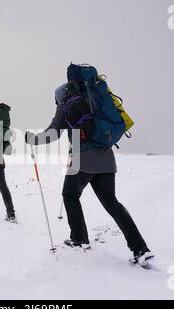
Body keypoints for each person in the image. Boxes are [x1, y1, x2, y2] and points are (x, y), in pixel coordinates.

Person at [25, 71, 154, 266]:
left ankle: (79, 239)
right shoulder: (92, 101)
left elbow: (53, 133)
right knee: (112, 202)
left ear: (60, 96)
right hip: (106, 159)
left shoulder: (66, 104)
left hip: (83, 160)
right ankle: (141, 249)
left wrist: (32, 139)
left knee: (70, 195)